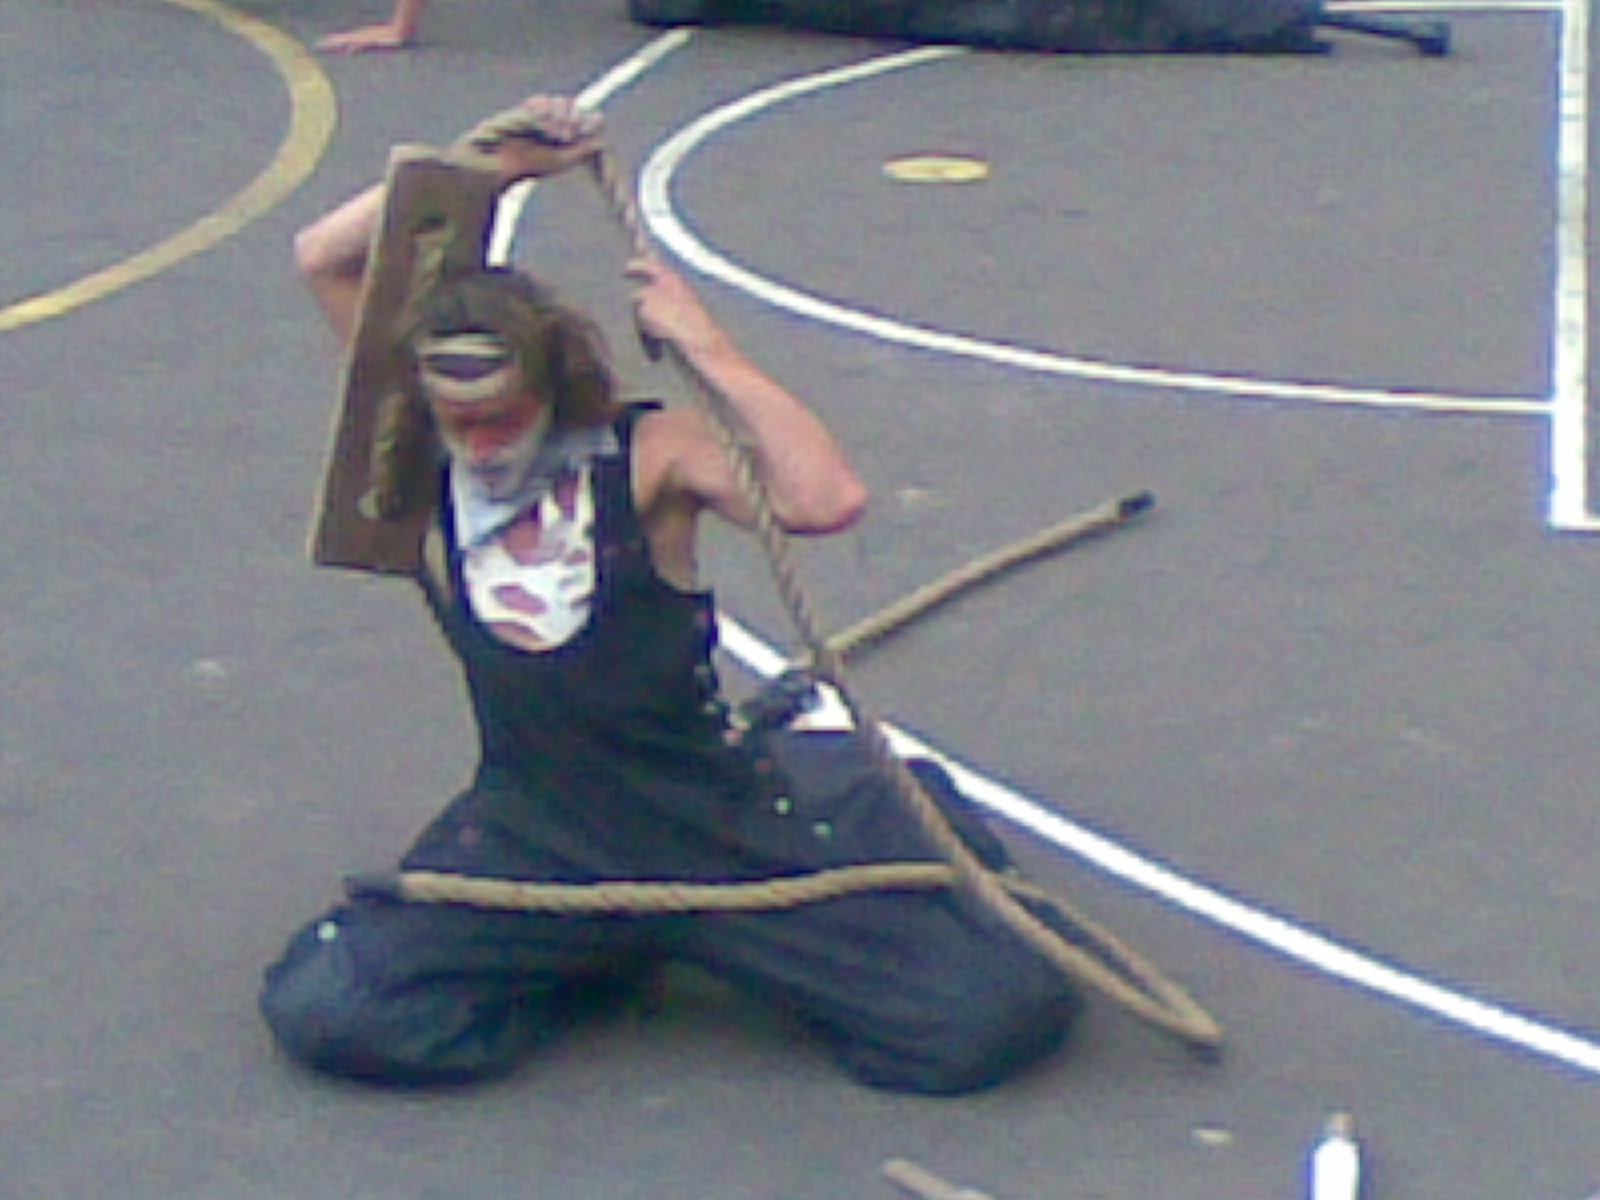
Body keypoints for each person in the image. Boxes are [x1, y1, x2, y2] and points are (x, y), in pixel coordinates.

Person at [259, 95, 1082, 1094]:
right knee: (334, 1009)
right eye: (458, 422)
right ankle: (593, 950)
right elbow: (322, 256)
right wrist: (491, 169)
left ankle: (832, 797)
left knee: (986, 1016)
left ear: (550, 389)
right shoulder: (429, 436)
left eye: (502, 417)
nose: (479, 444)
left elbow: (824, 500)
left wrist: (707, 347)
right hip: (538, 828)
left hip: (706, 827)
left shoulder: (648, 454)